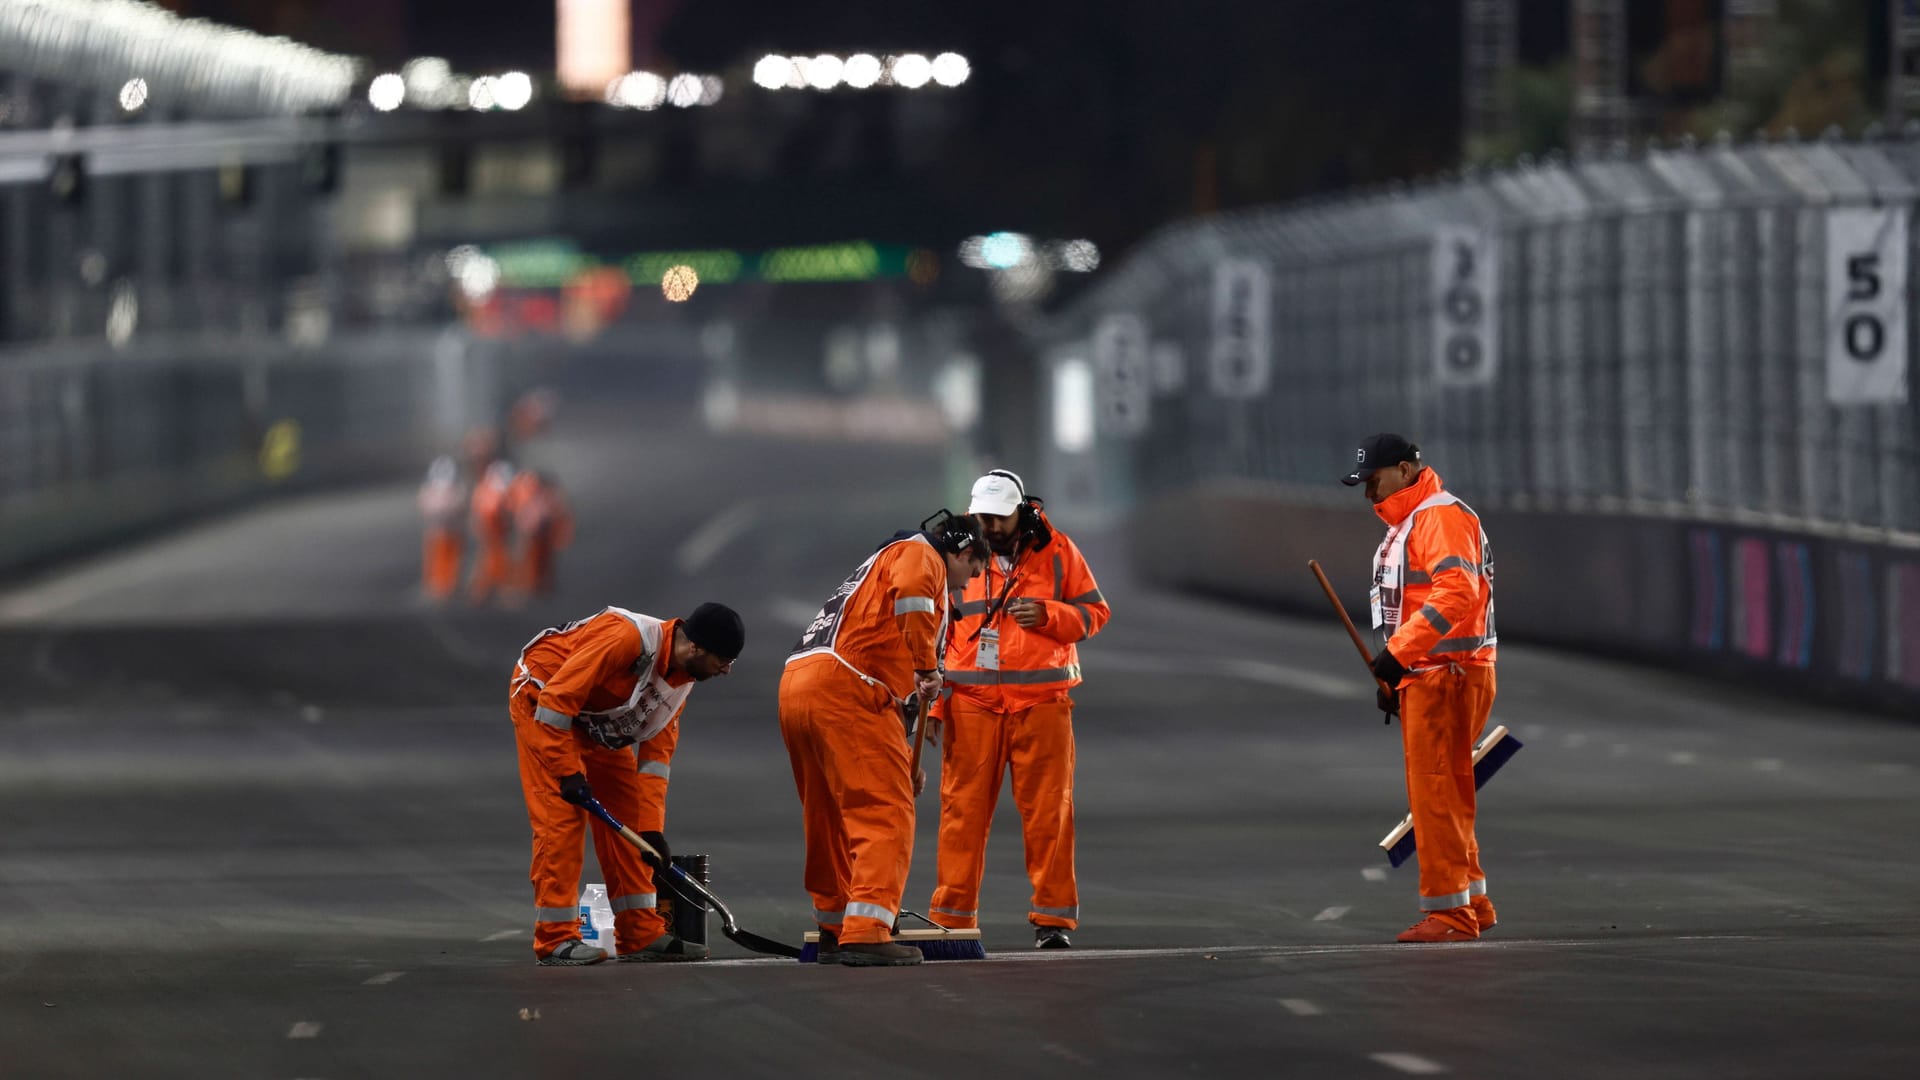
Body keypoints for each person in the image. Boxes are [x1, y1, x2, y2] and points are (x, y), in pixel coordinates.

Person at [780, 512, 986, 966]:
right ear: (964, 552)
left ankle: (834, 926)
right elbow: (913, 602)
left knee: (827, 813)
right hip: (846, 689)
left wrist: (903, 757)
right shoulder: (920, 554)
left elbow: (896, 685)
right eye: (971, 573)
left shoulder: (880, 562)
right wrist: (926, 666)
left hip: (802, 682)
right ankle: (868, 930)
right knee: (885, 811)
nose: (967, 587)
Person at [926, 470, 1110, 949]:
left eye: (998, 517)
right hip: (969, 704)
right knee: (961, 813)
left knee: (1050, 814)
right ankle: (952, 920)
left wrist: (1051, 616)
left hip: (1043, 704)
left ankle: (1052, 921)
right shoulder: (954, 550)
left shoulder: (1059, 550)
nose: (988, 525)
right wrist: (933, 708)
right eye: (981, 515)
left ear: (1020, 511)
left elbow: (1096, 613)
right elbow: (931, 629)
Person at [509, 601, 745, 965]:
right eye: (723, 660)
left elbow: (655, 763)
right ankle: (555, 939)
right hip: (544, 704)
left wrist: (651, 831)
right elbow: (557, 701)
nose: (727, 670)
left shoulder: (681, 682)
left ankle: (639, 933)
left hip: (598, 723)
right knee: (563, 821)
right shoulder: (626, 637)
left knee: (628, 820)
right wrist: (566, 771)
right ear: (694, 647)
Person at [1343, 433, 1498, 943]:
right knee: (1447, 792)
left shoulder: (1437, 517)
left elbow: (1457, 593)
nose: (1369, 494)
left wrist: (1397, 657)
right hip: (1433, 674)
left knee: (1435, 795)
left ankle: (1451, 916)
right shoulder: (1413, 521)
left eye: (1375, 481)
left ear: (1407, 471)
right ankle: (1472, 901)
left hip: (1445, 674)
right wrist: (1397, 673)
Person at [508, 470, 574, 601]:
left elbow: (559, 513)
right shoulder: (523, 493)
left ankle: (540, 585)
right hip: (530, 533)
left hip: (541, 532)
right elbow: (517, 510)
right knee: (527, 559)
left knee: (542, 559)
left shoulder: (547, 496)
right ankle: (528, 585)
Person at [416, 455, 467, 603]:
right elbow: (425, 506)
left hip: (452, 530)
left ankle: (449, 583)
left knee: (451, 557)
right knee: (436, 556)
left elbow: (460, 505)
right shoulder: (429, 490)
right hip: (436, 531)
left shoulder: (457, 490)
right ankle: (436, 583)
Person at [467, 458, 517, 606]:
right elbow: (481, 511)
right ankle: (481, 591)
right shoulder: (486, 490)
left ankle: (497, 590)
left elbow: (508, 510)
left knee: (499, 560)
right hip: (491, 532)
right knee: (488, 560)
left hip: (500, 533)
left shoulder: (502, 491)